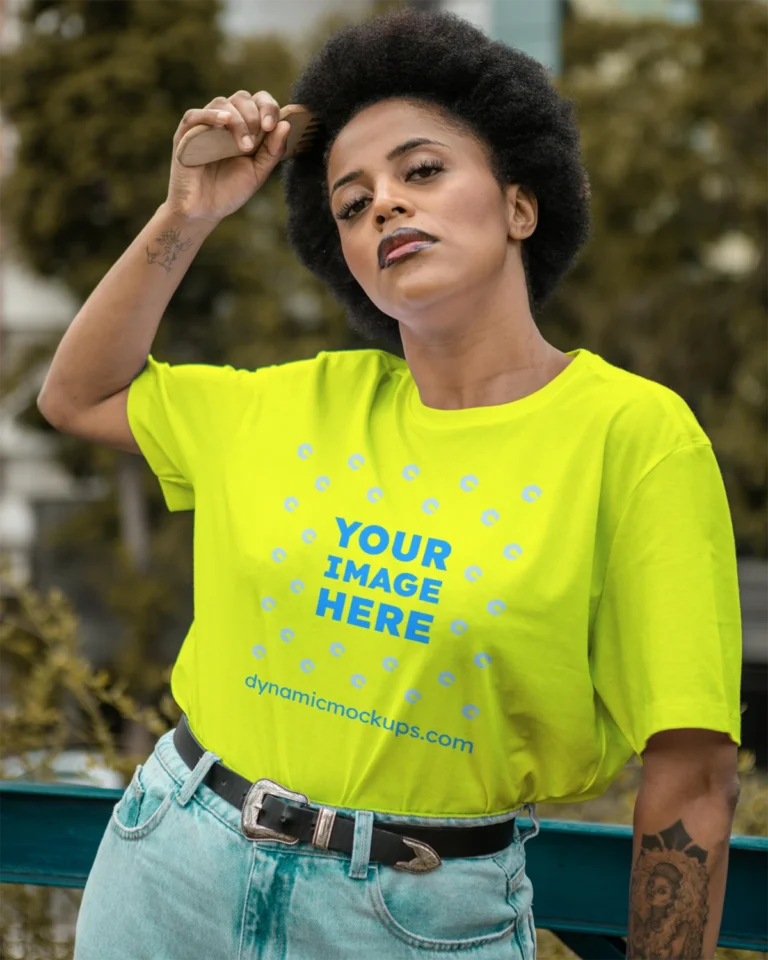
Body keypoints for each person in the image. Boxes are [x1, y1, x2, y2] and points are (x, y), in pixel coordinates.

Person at [37, 10, 742, 960]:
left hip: (415, 920)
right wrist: (188, 214)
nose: (385, 208)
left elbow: (693, 771)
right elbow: (77, 395)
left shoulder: (635, 436)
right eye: (352, 202)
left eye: (422, 171)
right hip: (170, 871)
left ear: (519, 205)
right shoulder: (295, 402)